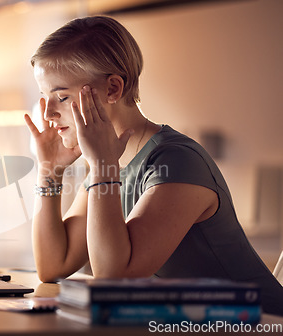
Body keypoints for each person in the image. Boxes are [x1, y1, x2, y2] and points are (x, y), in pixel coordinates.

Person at [24, 15, 283, 316]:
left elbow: (114, 281)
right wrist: (49, 172)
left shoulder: (175, 160)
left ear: (112, 89)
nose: (49, 113)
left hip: (261, 324)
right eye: (44, 97)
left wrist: (102, 165)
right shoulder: (110, 163)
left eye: (61, 96)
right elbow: (53, 266)